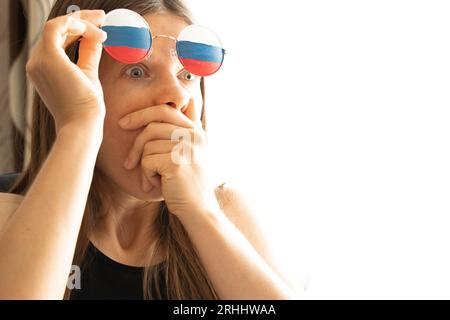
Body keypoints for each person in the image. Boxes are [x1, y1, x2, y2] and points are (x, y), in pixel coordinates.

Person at [0, 0, 298, 300]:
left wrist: (201, 213)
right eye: (137, 72)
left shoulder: (227, 214)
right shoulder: (9, 213)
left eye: (188, 76)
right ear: (69, 86)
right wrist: (78, 125)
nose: (177, 95)